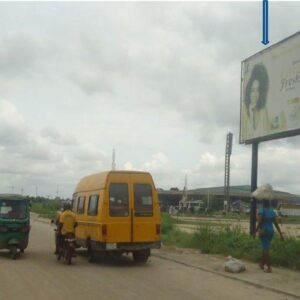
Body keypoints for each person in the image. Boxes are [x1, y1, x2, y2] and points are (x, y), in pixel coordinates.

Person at [252, 184, 284, 273]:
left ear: (263, 203)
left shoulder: (261, 210)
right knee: (265, 247)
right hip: (271, 231)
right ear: (269, 204)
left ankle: (269, 267)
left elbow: (260, 221)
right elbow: (276, 224)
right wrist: (281, 234)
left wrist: (255, 231)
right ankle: (262, 264)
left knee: (266, 249)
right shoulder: (272, 211)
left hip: (264, 231)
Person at [242, 63, 270, 140]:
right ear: (248, 91)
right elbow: (248, 135)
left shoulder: (263, 110)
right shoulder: (244, 109)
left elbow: (266, 131)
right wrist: (250, 113)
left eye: (257, 90)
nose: (255, 94)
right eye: (253, 90)